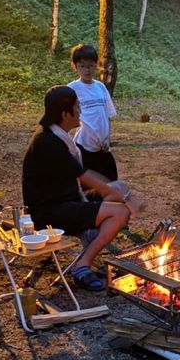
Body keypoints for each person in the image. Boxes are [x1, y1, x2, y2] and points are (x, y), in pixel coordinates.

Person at [22, 86, 144, 291]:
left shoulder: (59, 136)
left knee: (120, 186)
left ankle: (91, 236)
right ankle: (82, 265)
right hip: (50, 212)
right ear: (65, 114)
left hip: (69, 198)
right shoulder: (47, 142)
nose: (80, 111)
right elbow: (84, 176)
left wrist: (120, 192)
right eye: (77, 107)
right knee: (120, 212)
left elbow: (85, 177)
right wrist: (124, 199)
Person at [68, 44, 118, 181]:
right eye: (82, 66)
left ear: (96, 65)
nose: (86, 70)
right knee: (91, 188)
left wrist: (107, 138)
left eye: (90, 65)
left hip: (102, 146)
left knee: (112, 181)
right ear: (74, 66)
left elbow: (107, 115)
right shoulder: (72, 89)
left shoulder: (100, 87)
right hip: (84, 146)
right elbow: (64, 120)